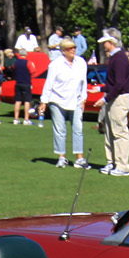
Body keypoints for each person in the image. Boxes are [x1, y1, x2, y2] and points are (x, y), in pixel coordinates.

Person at [42, 37, 88, 168]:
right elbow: (49, 83)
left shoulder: (81, 62)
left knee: (78, 129)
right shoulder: (55, 64)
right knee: (60, 130)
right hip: (57, 100)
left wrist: (83, 98)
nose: (73, 50)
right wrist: (44, 101)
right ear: (63, 51)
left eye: (74, 47)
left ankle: (79, 158)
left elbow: (83, 82)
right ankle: (61, 157)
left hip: (76, 100)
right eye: (69, 48)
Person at [96, 31, 129, 176]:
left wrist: (105, 98)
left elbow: (119, 84)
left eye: (105, 42)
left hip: (119, 99)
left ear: (111, 42)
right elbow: (113, 83)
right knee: (109, 131)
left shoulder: (119, 58)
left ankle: (123, 166)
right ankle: (111, 162)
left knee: (119, 132)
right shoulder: (114, 58)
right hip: (114, 97)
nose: (103, 45)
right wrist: (100, 89)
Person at [8, 48, 34, 124]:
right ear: (26, 54)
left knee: (18, 101)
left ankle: (16, 118)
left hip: (18, 83)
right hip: (26, 83)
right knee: (27, 101)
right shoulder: (28, 62)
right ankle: (26, 119)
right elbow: (33, 71)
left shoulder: (15, 62)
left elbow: (12, 68)